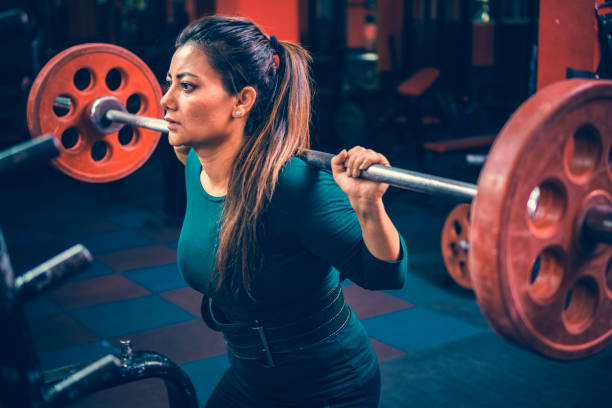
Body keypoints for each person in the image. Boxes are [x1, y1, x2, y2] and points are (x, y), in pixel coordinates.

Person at [161, 15, 408, 408]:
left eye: (187, 86)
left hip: (328, 386)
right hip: (249, 377)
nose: (166, 100)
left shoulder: (297, 188)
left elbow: (385, 274)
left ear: (242, 100)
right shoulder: (196, 164)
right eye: (169, 82)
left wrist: (368, 205)